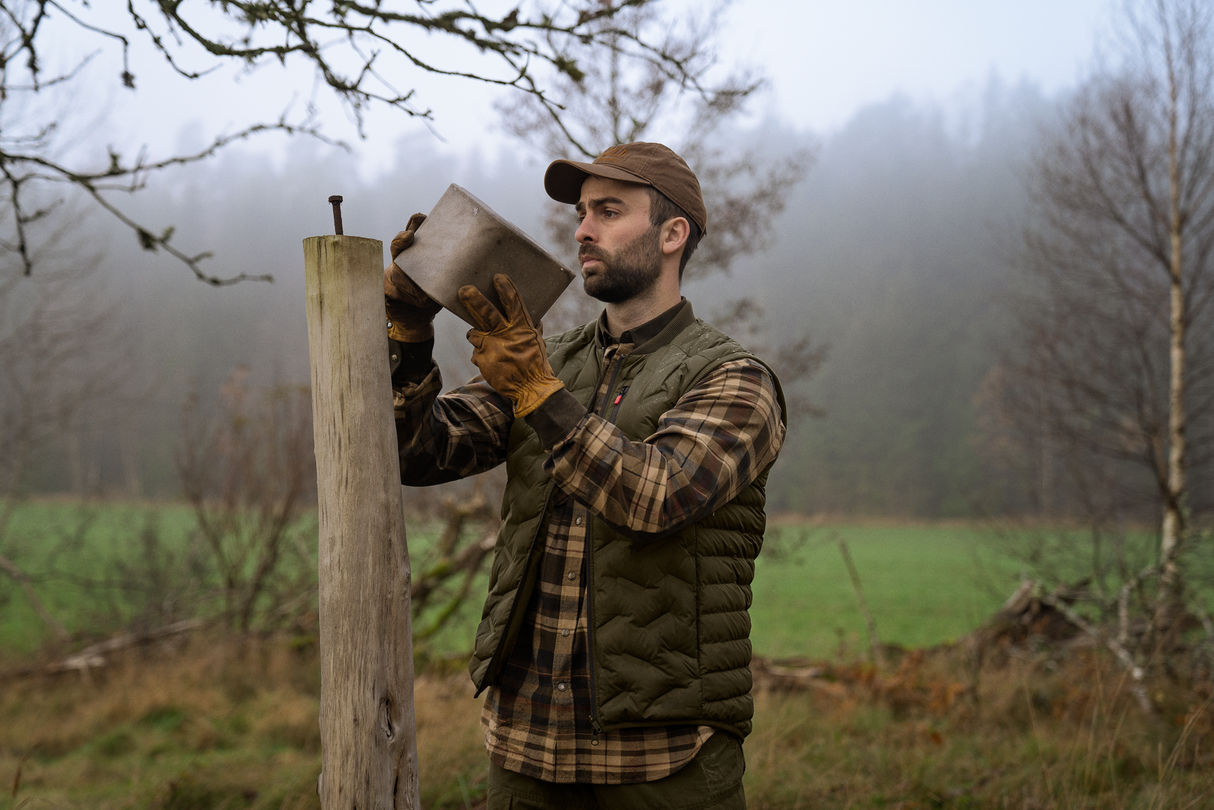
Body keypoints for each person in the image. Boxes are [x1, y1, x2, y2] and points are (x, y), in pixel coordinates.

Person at [385, 142, 786, 810]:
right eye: (580, 213)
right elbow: (418, 452)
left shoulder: (734, 380)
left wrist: (538, 392)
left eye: (608, 211)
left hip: (663, 758)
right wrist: (408, 327)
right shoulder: (545, 361)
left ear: (672, 233)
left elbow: (657, 496)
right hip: (525, 748)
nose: (582, 230)